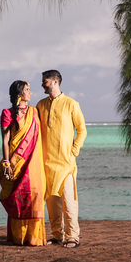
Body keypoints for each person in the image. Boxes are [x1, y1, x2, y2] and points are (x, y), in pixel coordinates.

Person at [36, 69, 87, 248]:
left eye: (45, 81)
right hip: (46, 163)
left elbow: (82, 130)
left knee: (69, 202)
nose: (42, 84)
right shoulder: (40, 105)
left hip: (66, 164)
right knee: (52, 203)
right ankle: (57, 235)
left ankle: (73, 236)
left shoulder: (71, 104)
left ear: (55, 82)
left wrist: (73, 151)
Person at [0, 79, 47, 246]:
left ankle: (34, 237)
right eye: (27, 90)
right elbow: (5, 140)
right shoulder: (7, 113)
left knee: (35, 195)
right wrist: (7, 164)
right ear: (20, 94)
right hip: (16, 162)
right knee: (19, 197)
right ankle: (19, 236)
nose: (31, 93)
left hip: (33, 162)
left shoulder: (34, 112)